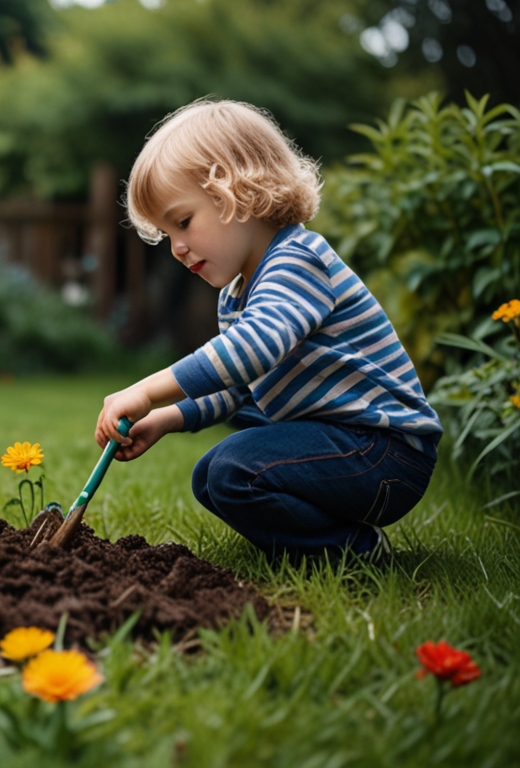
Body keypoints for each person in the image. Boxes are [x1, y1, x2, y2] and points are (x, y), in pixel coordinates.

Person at [96, 99, 442, 562]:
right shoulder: (237, 293)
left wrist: (147, 391)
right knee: (211, 477)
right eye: (166, 234)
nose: (176, 248)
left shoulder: (298, 260)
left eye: (183, 222)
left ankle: (353, 551)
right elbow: (241, 386)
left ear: (238, 191)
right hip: (348, 443)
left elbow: (251, 351)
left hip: (385, 452)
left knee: (234, 471)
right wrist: (166, 418)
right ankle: (333, 537)